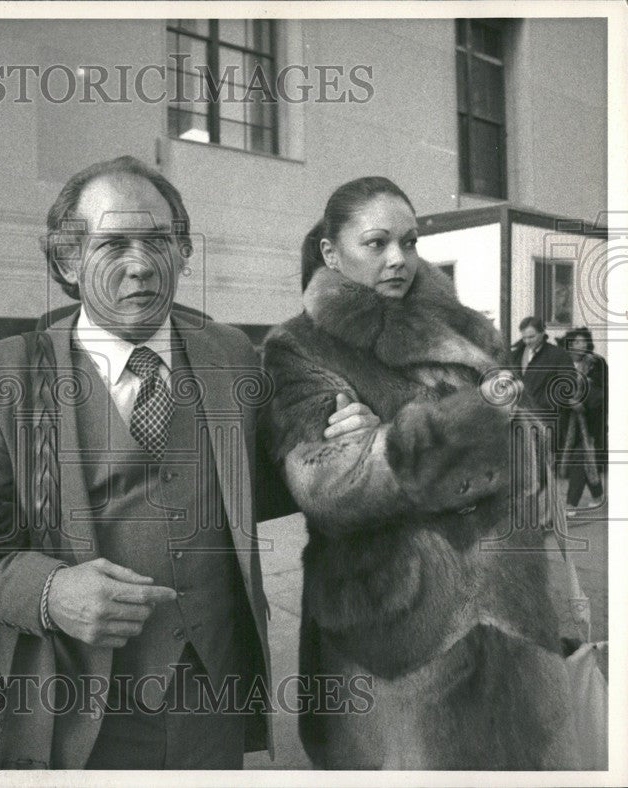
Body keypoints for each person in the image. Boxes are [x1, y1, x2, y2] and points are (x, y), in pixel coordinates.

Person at [0, 155, 373, 769]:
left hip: (211, 693)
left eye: (159, 240)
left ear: (183, 252)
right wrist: (51, 591)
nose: (140, 264)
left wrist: (342, 444)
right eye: (111, 244)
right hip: (68, 704)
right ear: (67, 260)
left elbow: (262, 484)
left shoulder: (231, 355)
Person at [262, 176, 578, 769]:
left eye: (409, 242)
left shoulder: (470, 329)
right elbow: (332, 487)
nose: (397, 259)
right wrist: (480, 419)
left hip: (511, 609)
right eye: (376, 243)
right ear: (332, 252)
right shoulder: (300, 346)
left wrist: (385, 437)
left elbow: (533, 445)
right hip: (399, 630)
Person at [561, 327, 607, 510]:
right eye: (576, 341)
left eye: (584, 341)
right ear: (569, 344)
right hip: (567, 422)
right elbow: (554, 390)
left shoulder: (597, 363)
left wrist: (582, 401)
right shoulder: (562, 364)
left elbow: (604, 392)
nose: (581, 345)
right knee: (586, 460)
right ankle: (598, 495)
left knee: (579, 459)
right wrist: (567, 401)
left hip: (589, 422)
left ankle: (570, 504)